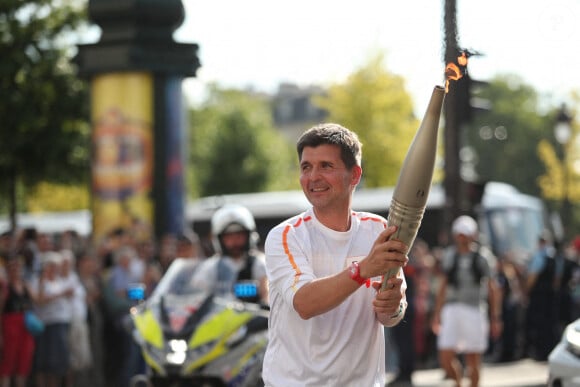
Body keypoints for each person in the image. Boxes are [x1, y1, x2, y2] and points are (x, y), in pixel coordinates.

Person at [262, 123, 409, 387]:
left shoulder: (379, 229)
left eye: (326, 166)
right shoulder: (285, 236)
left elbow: (391, 315)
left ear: (354, 175)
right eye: (306, 167)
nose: (313, 177)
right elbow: (305, 303)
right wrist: (362, 269)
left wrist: (394, 304)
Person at [431, 215, 502, 387]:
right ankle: (457, 383)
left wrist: (495, 317)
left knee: (473, 359)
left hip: (474, 309)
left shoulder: (483, 257)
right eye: (459, 234)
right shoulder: (450, 256)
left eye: (465, 234)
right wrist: (437, 313)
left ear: (473, 235)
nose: (462, 237)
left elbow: (493, 288)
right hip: (452, 308)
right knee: (445, 355)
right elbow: (443, 285)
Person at [192, 204, 268, 305]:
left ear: (249, 236)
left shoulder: (260, 263)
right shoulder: (210, 267)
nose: (234, 241)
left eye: (239, 236)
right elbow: (197, 297)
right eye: (229, 237)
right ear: (219, 239)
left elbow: (268, 294)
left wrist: (266, 301)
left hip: (256, 319)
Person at [523, 230, 560, 361]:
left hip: (539, 296)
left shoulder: (539, 256)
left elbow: (532, 277)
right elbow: (557, 279)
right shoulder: (554, 256)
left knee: (539, 325)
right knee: (550, 325)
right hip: (550, 296)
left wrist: (526, 291)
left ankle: (541, 353)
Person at [0, 257, 36, 387]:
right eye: (12, 268)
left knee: (24, 363)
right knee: (8, 363)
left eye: (18, 267)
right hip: (10, 326)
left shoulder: (25, 286)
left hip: (25, 327)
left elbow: (36, 300)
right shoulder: (5, 287)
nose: (16, 270)